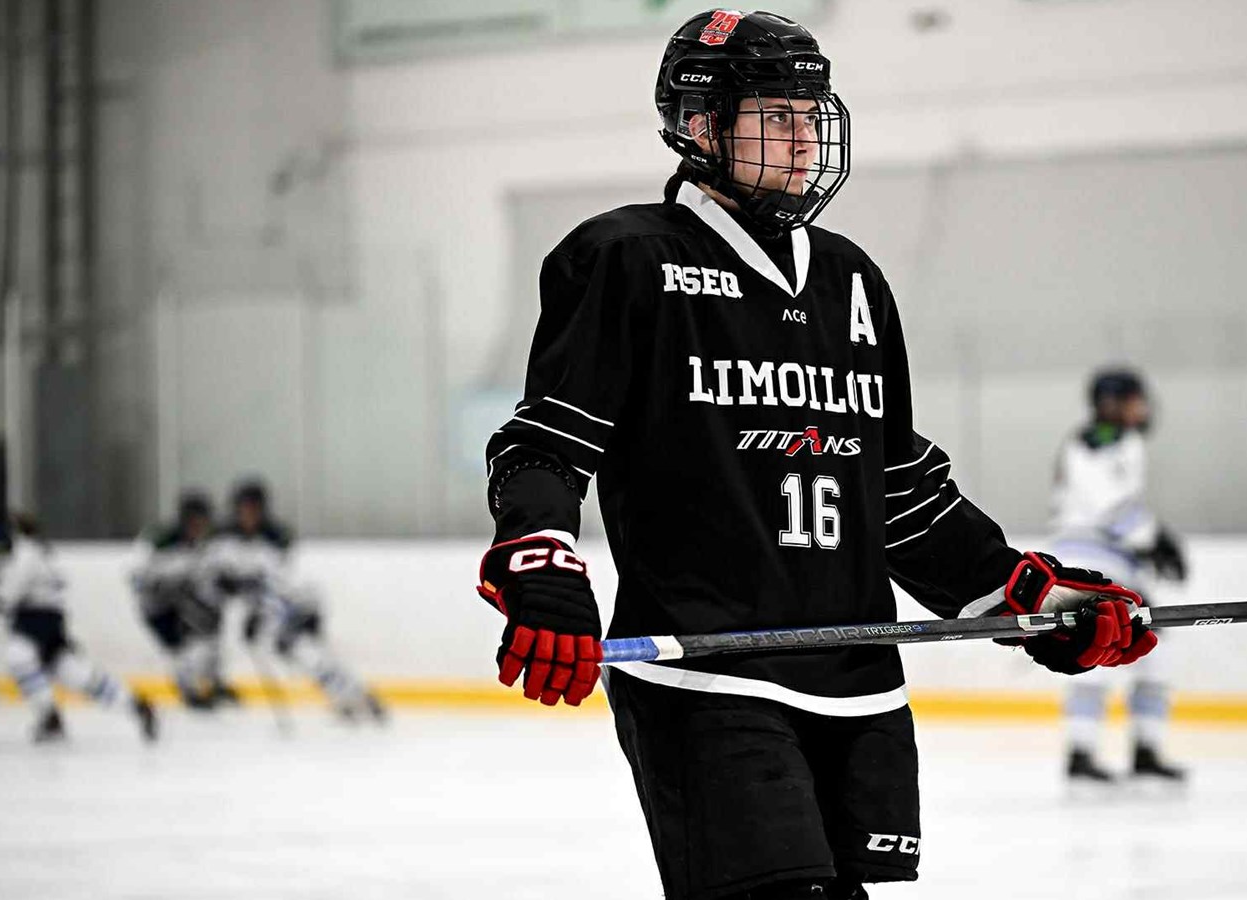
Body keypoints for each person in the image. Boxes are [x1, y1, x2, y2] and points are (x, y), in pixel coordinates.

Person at [476, 11, 1159, 899]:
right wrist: (540, 559)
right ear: (699, 125)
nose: (804, 141)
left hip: (857, 676)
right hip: (707, 674)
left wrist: (1030, 591)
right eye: (775, 115)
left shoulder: (851, 279)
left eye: (812, 115)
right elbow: (546, 444)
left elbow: (899, 494)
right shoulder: (626, 257)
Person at [1050, 368, 1189, 786]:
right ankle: (1083, 751)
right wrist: (1156, 539)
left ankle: (1140, 749)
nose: (1142, 408)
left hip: (1111, 559)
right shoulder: (1100, 441)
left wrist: (1150, 545)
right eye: (1133, 399)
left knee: (1148, 653)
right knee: (1100, 651)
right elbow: (1109, 504)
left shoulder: (1112, 441)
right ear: (1111, 403)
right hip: (1092, 560)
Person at [0, 477, 158, 743]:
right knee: (70, 671)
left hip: (41, 611)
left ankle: (49, 717)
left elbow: (1, 596)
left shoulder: (13, 543)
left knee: (19, 655)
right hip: (31, 611)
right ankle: (136, 705)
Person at [205, 479, 385, 723]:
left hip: (297, 603)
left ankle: (351, 694)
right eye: (244, 508)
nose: (249, 514)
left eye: (254, 508)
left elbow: (277, 585)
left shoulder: (276, 537)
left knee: (300, 648)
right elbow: (221, 581)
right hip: (277, 608)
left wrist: (258, 615)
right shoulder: (222, 539)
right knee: (303, 651)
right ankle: (351, 693)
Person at [131, 490, 237, 709]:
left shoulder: (206, 545)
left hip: (185, 602)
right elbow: (139, 579)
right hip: (158, 605)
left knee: (210, 628)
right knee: (183, 645)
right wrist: (167, 583)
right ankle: (188, 687)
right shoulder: (160, 541)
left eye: (203, 521)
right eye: (195, 521)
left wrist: (225, 584)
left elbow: (217, 577)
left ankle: (212, 680)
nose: (199, 527)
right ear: (184, 520)